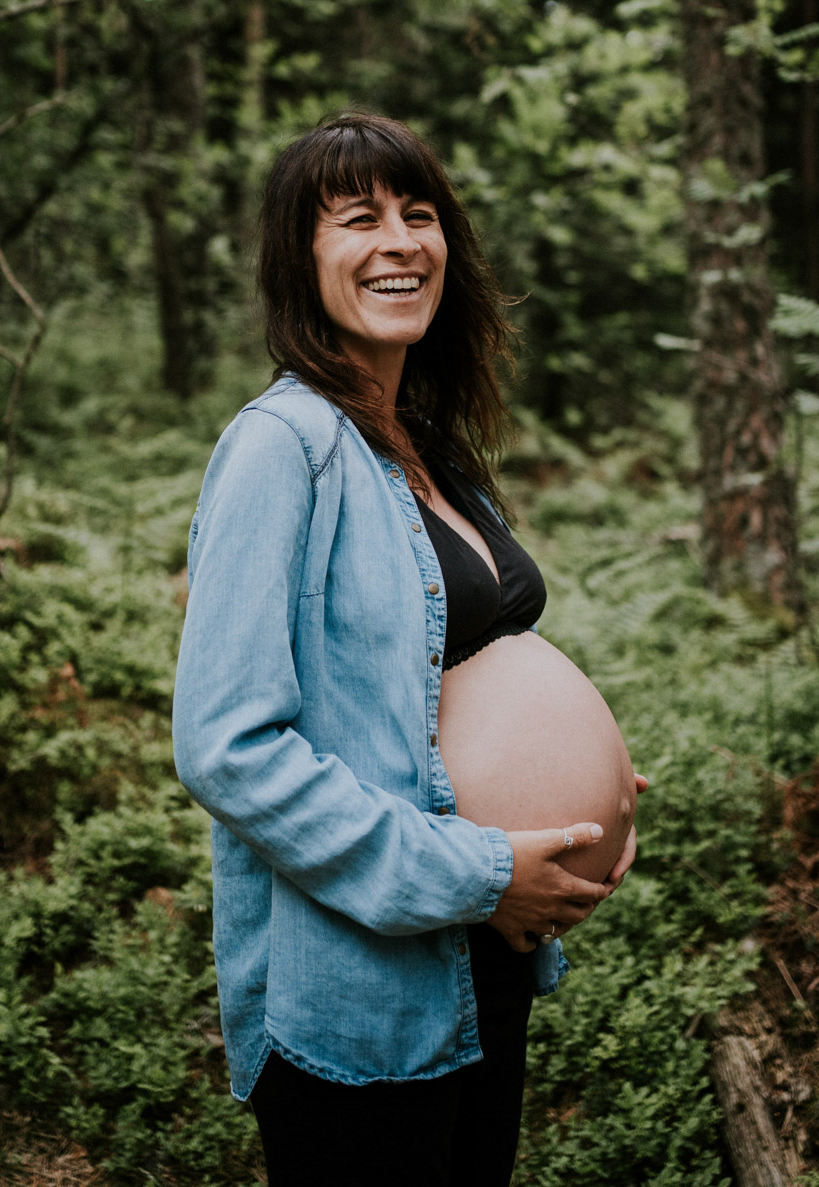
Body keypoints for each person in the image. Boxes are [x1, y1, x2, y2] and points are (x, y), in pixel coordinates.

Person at [172, 113, 641, 1187]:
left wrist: (595, 795)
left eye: (418, 214)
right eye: (358, 218)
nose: (400, 241)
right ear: (303, 259)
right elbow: (224, 746)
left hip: (482, 964)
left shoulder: (421, 445)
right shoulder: (279, 449)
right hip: (367, 997)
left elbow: (451, 687)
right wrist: (481, 868)